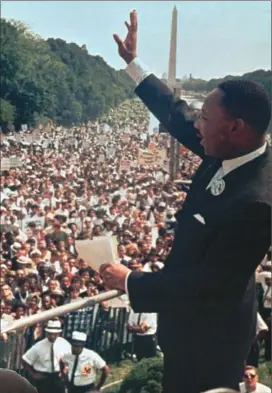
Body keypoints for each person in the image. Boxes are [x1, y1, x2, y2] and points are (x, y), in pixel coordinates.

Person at [100, 10, 272, 393]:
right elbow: (176, 114)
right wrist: (133, 64)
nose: (196, 123)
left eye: (205, 117)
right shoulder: (227, 146)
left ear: (235, 128)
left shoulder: (259, 204)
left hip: (212, 340)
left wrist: (131, 281)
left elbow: (211, 287)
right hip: (188, 329)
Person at [22, 319, 71, 393]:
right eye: (50, 334)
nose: (52, 336)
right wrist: (33, 374)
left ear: (59, 333)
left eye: (55, 334)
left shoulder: (65, 344)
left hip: (58, 377)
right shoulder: (39, 346)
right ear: (46, 333)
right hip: (44, 378)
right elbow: (25, 359)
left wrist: (66, 370)